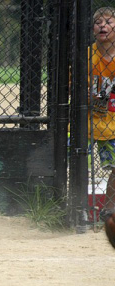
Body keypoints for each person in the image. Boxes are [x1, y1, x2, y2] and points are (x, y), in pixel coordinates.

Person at [89, 7, 115, 222]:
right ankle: (76, 206)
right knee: (75, 162)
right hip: (86, 123)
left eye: (108, 21)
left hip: (113, 124)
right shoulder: (87, 57)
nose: (103, 25)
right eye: (98, 22)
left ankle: (109, 209)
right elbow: (72, 88)